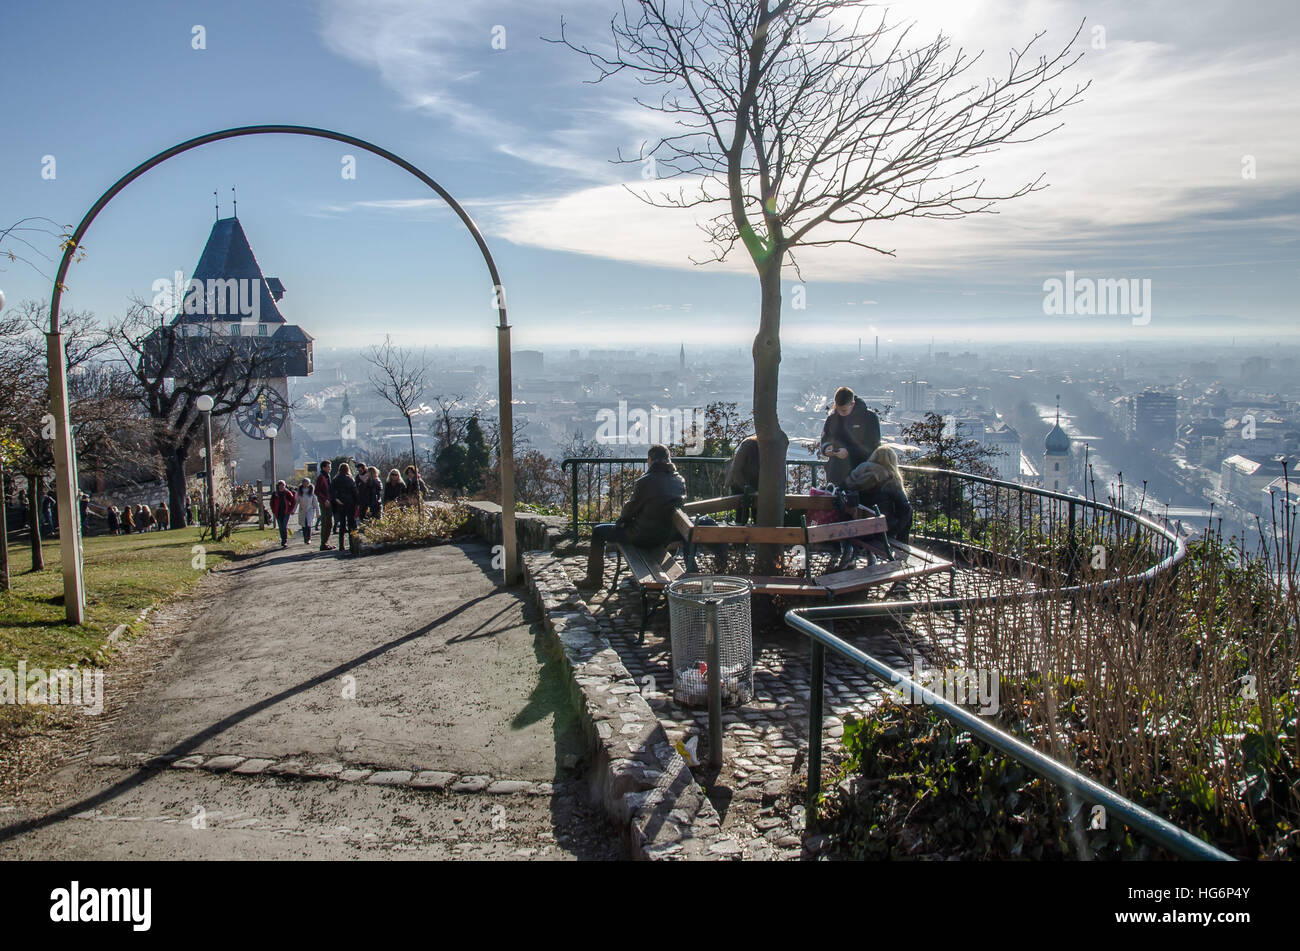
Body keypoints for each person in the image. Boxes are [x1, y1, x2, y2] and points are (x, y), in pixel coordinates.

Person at [578, 444, 686, 589]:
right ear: (668, 459)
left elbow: (628, 512)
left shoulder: (646, 481)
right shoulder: (679, 480)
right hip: (666, 536)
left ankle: (594, 579)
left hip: (642, 537)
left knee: (598, 531)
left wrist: (620, 524)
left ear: (650, 460)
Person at [846, 446, 912, 544]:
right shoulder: (890, 479)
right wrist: (896, 529)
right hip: (881, 530)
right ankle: (902, 543)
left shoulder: (858, 473)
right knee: (909, 512)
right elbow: (905, 508)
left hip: (857, 528)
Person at [819, 386, 881, 487]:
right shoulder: (832, 418)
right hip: (836, 475)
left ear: (852, 404)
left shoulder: (869, 418)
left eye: (843, 410)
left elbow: (873, 446)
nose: (840, 413)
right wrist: (826, 448)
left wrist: (849, 452)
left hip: (861, 473)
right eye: (838, 409)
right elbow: (825, 438)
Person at [723, 435, 761, 525]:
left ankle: (748, 532)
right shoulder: (748, 444)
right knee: (742, 513)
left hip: (753, 485)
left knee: (755, 513)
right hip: (740, 485)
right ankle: (740, 532)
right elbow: (736, 470)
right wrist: (745, 487)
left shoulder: (762, 446)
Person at [331, 462, 359, 556]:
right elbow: (354, 491)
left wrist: (337, 500)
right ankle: (352, 544)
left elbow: (332, 491)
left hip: (340, 503)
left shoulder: (335, 479)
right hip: (350, 502)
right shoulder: (350, 479)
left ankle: (341, 545)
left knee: (342, 524)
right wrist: (357, 502)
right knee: (351, 523)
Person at [269, 479, 297, 548]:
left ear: (285, 486)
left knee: (284, 526)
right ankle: (283, 539)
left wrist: (290, 509)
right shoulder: (275, 494)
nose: (281, 487)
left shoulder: (287, 493)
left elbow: (293, 501)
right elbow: (271, 503)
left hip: (286, 512)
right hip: (278, 513)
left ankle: (285, 541)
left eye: (283, 485)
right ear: (278, 486)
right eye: (280, 485)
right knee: (281, 527)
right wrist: (273, 511)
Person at [314, 460, 335, 551]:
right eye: (328, 467)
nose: (330, 469)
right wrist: (324, 499)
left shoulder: (327, 476)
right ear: (323, 467)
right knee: (327, 523)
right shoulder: (321, 477)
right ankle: (323, 543)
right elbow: (317, 491)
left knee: (329, 523)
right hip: (325, 502)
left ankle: (325, 542)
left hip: (328, 501)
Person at [296, 480, 319, 545]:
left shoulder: (311, 491)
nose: (305, 484)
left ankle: (308, 538)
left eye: (307, 483)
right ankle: (305, 538)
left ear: (309, 483)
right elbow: (297, 502)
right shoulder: (300, 492)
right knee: (303, 524)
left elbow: (315, 503)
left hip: (310, 510)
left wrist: (318, 512)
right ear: (302, 483)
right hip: (302, 510)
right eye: (304, 483)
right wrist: (293, 510)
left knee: (309, 524)